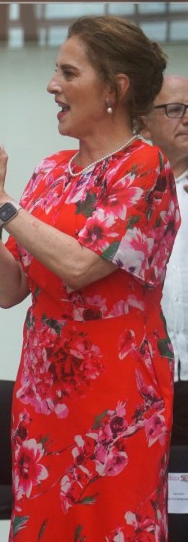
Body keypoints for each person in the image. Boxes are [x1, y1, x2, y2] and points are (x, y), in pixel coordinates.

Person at [0, 15, 178, 540]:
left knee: (109, 525)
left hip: (115, 396)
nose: (52, 86)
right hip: (43, 393)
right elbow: (9, 288)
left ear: (115, 89)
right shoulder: (50, 171)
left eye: (68, 72)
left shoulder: (144, 166)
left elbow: (83, 265)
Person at [142, 75, 188, 447]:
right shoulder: (127, 192)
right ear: (144, 122)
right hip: (145, 379)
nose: (187, 119)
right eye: (175, 110)